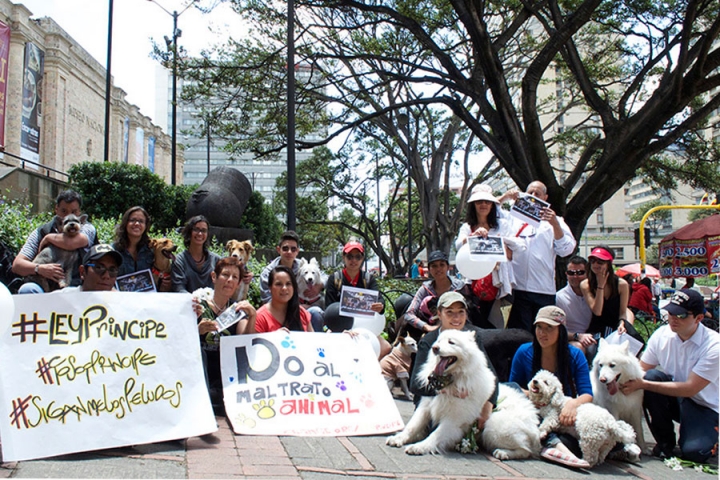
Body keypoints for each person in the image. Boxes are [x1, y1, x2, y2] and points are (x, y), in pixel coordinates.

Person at [620, 289, 719, 463]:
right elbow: (641, 370)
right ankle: (665, 442)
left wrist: (642, 384)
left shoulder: (713, 345)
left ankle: (710, 435)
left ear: (698, 319)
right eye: (671, 312)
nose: (673, 318)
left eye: (680, 315)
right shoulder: (662, 335)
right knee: (651, 376)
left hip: (704, 405)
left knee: (696, 453)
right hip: (675, 397)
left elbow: (690, 388)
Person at [509, 306, 593, 468]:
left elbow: (587, 394)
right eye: (539, 327)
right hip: (532, 410)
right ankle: (556, 447)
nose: (542, 333)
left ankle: (552, 445)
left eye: (549, 328)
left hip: (561, 416)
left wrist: (572, 404)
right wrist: (532, 396)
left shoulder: (575, 355)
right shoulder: (524, 352)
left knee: (576, 437)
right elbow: (514, 386)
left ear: (560, 331)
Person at [410, 291, 498, 426]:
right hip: (434, 402)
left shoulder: (471, 338)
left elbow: (491, 374)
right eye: (449, 312)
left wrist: (487, 406)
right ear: (439, 314)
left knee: (512, 387)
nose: (456, 318)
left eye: (461, 312)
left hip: (466, 402)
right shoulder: (429, 341)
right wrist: (448, 389)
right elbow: (416, 385)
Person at [503, 181, 576, 332]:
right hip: (517, 288)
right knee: (519, 335)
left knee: (544, 333)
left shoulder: (556, 221)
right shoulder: (513, 219)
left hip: (543, 290)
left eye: (538, 194)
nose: (533, 196)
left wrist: (554, 223)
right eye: (530, 193)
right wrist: (505, 197)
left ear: (545, 197)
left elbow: (566, 250)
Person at [455, 184, 524, 329]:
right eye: (479, 202)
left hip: (499, 283)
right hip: (474, 285)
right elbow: (458, 245)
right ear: (473, 205)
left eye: (487, 202)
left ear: (493, 205)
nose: (483, 205)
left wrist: (501, 247)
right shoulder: (467, 227)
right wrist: (472, 237)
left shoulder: (503, 225)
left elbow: (514, 253)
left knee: (498, 326)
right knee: (477, 324)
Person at [196, 256, 257, 415]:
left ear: (238, 284)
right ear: (214, 277)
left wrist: (252, 317)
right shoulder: (197, 307)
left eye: (235, 277)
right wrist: (197, 331)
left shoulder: (237, 311)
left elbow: (245, 342)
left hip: (224, 374)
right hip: (201, 372)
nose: (229, 280)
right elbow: (182, 341)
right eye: (225, 275)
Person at [13, 190, 97, 293]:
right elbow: (17, 265)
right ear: (56, 209)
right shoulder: (41, 231)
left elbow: (71, 243)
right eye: (64, 211)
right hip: (44, 285)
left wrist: (48, 238)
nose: (69, 216)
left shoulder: (87, 228)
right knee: (27, 289)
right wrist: (40, 269)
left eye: (74, 212)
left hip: (77, 287)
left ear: (79, 212)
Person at [580, 246, 642, 354]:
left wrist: (622, 323)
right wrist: (600, 286)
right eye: (593, 261)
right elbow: (597, 311)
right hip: (597, 328)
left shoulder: (622, 284)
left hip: (616, 328)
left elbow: (623, 312)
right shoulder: (586, 284)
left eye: (600, 262)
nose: (596, 265)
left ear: (608, 264)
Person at [402, 250, 468, 340]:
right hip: (431, 334)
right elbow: (409, 314)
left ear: (448, 267)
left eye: (442, 265)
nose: (438, 269)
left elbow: (469, 312)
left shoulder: (460, 287)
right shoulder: (425, 289)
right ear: (429, 269)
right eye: (434, 266)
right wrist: (426, 327)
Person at [112, 206, 170, 292]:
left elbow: (164, 271)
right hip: (120, 300)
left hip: (148, 300)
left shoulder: (152, 249)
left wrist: (166, 281)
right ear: (125, 223)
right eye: (132, 220)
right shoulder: (113, 250)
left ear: (146, 226)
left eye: (141, 221)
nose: (137, 224)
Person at [324, 241, 385, 314]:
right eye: (349, 257)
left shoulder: (368, 279)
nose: (354, 260)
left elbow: (378, 298)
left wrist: (380, 306)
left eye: (358, 257)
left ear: (362, 259)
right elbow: (329, 307)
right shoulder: (334, 279)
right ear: (343, 257)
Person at [252, 265, 313, 333]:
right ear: (270, 288)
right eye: (279, 284)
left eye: (288, 284)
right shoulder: (260, 317)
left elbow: (312, 341)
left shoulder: (301, 313)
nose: (284, 288)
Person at [171, 216, 221, 294]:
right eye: (196, 229)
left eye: (204, 230)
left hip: (212, 304)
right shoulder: (179, 260)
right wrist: (195, 301)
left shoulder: (216, 260)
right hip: (188, 303)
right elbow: (178, 288)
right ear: (189, 232)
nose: (200, 233)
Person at [555, 256, 594, 352]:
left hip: (594, 336)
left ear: (588, 274)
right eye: (571, 273)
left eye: (580, 273)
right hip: (572, 339)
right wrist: (578, 336)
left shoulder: (596, 293)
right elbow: (557, 330)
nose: (575, 276)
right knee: (578, 348)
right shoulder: (559, 298)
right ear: (566, 274)